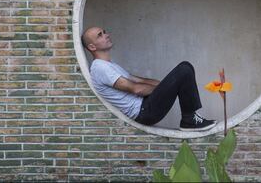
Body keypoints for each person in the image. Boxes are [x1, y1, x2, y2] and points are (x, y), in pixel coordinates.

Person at [81, 26, 216, 131]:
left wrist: (165, 86)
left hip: (146, 104)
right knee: (184, 70)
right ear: (92, 46)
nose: (106, 35)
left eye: (104, 32)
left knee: (184, 68)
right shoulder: (100, 68)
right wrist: (165, 88)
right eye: (100, 35)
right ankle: (189, 119)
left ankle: (190, 118)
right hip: (143, 112)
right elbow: (136, 89)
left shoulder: (109, 65)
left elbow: (138, 80)